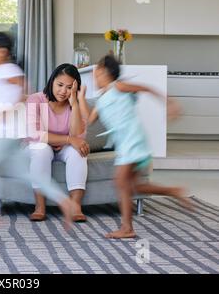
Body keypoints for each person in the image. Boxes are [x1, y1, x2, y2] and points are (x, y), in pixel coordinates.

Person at [0, 32, 76, 230]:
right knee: (26, 174)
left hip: (4, 133)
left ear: (1, 52)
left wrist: (4, 112)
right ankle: (64, 200)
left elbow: (26, 91)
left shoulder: (6, 69)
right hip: (8, 134)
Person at [78, 54, 191, 239]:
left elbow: (145, 88)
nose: (94, 77)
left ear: (107, 73)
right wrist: (81, 98)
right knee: (134, 187)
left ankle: (127, 228)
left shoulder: (118, 87)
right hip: (127, 145)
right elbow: (90, 119)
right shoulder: (102, 99)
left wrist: (169, 102)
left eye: (97, 73)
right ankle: (173, 191)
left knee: (121, 183)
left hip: (133, 142)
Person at [26, 64, 89, 223]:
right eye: (60, 85)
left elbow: (78, 135)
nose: (63, 91)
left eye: (69, 87)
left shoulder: (75, 103)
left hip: (65, 148)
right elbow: (35, 134)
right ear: (52, 81)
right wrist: (67, 139)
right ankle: (40, 207)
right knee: (42, 150)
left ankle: (75, 206)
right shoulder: (35, 99)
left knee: (78, 152)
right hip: (40, 145)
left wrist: (74, 104)